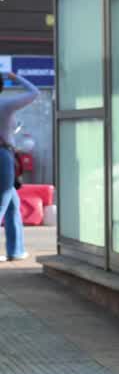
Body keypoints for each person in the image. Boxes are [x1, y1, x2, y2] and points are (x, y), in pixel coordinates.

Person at [0, 71, 40, 262]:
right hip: (3, 155)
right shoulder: (6, 104)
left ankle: (15, 250)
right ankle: (14, 250)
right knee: (2, 203)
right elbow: (34, 92)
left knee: (12, 205)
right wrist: (15, 78)